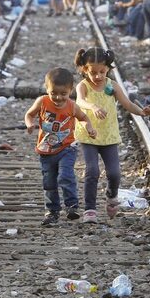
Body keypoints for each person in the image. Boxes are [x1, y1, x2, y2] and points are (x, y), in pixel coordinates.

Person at [74, 47, 150, 223]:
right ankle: (90, 209)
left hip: (109, 135)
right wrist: (93, 107)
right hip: (89, 135)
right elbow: (79, 101)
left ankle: (112, 197)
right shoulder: (83, 86)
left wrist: (142, 112)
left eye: (102, 72)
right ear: (84, 69)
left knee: (115, 173)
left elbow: (127, 104)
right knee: (92, 170)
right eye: (93, 72)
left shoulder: (112, 85)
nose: (98, 76)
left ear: (108, 69)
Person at [24, 67, 97, 225]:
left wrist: (89, 127)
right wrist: (30, 124)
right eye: (53, 93)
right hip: (46, 151)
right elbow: (29, 114)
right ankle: (52, 211)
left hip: (67, 148)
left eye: (63, 94)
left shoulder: (71, 106)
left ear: (70, 90)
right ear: (47, 89)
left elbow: (84, 118)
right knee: (49, 182)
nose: (58, 98)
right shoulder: (42, 101)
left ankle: (72, 206)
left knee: (65, 176)